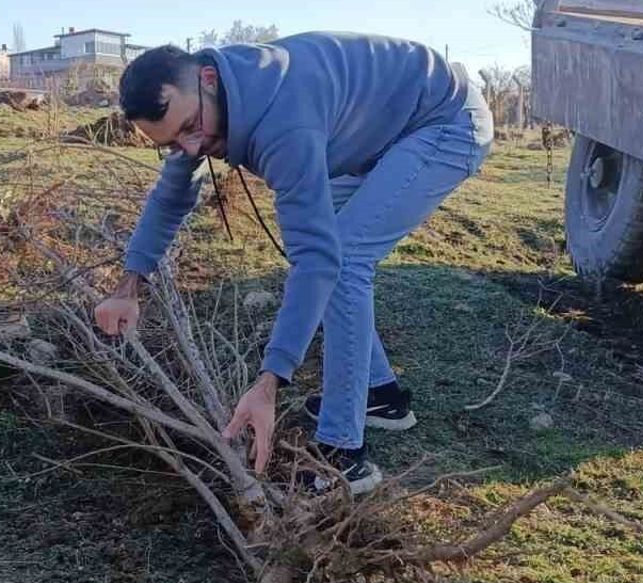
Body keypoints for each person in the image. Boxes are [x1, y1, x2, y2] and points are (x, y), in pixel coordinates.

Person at [93, 33, 493, 493]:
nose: (191, 148)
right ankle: (381, 398)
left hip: (444, 121)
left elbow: (318, 260)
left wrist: (269, 382)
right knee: (332, 257)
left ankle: (345, 455)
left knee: (341, 261)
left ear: (206, 78)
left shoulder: (284, 121)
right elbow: (171, 195)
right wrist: (128, 288)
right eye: (172, 143)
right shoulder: (207, 105)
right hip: (377, 133)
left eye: (190, 128)